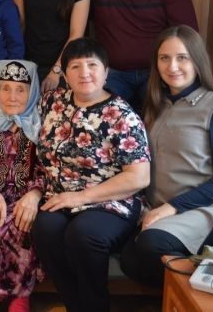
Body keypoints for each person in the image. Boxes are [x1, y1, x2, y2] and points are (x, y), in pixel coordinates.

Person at [31, 38, 150, 312]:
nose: (84, 73)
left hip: (111, 201)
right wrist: (36, 191)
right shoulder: (51, 102)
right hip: (60, 196)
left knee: (84, 234)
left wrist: (81, 197)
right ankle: (76, 306)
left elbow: (139, 177)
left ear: (106, 72)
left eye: (92, 65)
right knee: (45, 229)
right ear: (65, 74)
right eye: (75, 66)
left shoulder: (122, 115)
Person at [120, 25, 213, 287]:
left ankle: (195, 298)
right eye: (164, 58)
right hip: (161, 210)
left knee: (152, 244)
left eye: (182, 57)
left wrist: (171, 207)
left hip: (208, 209)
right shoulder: (155, 105)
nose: (172, 66)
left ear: (197, 61)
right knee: (129, 260)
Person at [0, 59, 45, 312]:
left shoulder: (41, 127)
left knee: (24, 225)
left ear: (32, 92)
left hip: (28, 198)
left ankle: (20, 297)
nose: (12, 96)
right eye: (5, 88)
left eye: (20, 89)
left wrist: (34, 194)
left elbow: (48, 169)